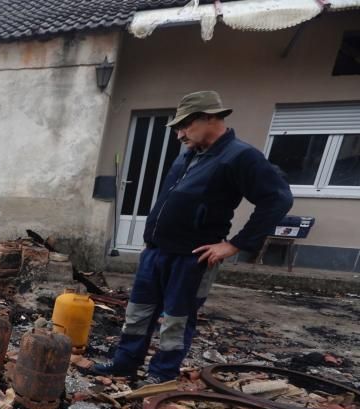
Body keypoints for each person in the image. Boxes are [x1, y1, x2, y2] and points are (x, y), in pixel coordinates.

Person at [93, 91, 293, 385]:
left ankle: (161, 376)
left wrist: (236, 244)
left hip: (192, 257)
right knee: (138, 313)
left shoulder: (240, 156)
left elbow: (277, 199)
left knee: (176, 320)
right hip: (157, 252)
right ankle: (124, 363)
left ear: (210, 118)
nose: (179, 135)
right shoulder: (190, 153)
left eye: (185, 126)